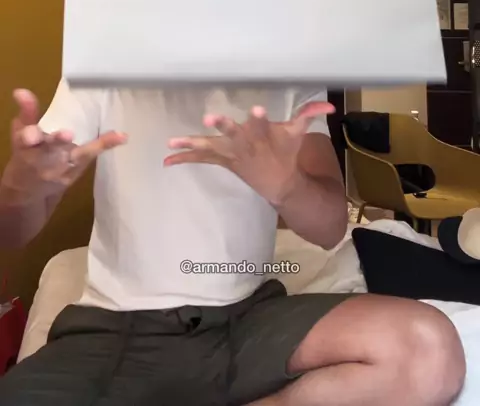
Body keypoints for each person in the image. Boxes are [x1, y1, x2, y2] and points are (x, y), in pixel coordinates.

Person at [0, 81, 465, 406]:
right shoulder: (105, 65)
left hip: (246, 321)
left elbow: (329, 229)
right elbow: (11, 233)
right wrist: (21, 186)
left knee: (428, 351)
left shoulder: (290, 73)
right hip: (115, 329)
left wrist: (288, 188)